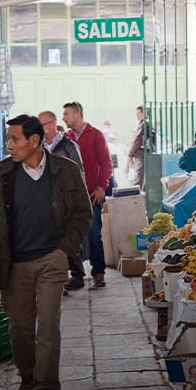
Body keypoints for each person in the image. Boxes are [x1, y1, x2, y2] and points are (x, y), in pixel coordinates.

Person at [0, 115, 92, 390]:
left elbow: (83, 213)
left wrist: (64, 250)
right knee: (20, 329)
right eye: (9, 139)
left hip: (52, 259)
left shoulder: (66, 170)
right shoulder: (1, 175)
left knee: (49, 327)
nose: (9, 145)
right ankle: (28, 376)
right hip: (14, 263)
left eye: (15, 139)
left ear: (34, 141)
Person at [63, 102, 113, 288]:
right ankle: (77, 276)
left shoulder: (95, 135)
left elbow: (106, 163)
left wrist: (101, 187)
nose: (64, 118)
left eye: (66, 114)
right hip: (71, 196)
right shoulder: (66, 138)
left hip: (92, 194)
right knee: (72, 236)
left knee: (93, 234)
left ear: (77, 114)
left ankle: (98, 272)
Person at [39, 110, 87, 293]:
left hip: (67, 198)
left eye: (42, 125)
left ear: (52, 124)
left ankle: (77, 274)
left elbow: (79, 172)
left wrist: (77, 199)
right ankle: (59, 276)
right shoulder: (40, 147)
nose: (41, 129)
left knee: (69, 235)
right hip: (47, 199)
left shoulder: (68, 146)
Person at [128, 106, 154, 190]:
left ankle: (137, 198)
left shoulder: (144, 124)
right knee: (144, 178)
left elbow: (137, 140)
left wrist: (130, 154)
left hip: (141, 153)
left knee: (139, 178)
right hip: (147, 153)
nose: (137, 115)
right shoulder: (148, 123)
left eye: (138, 113)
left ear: (144, 113)